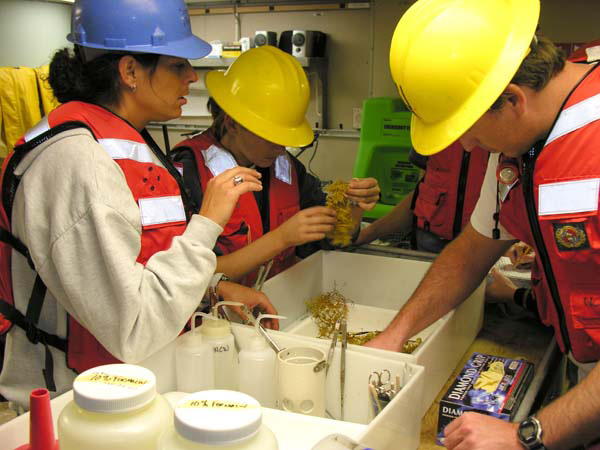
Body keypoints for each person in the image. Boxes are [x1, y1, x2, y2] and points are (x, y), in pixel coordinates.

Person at [0, 0, 277, 410]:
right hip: (74, 408)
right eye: (177, 65)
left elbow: (132, 266)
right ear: (129, 71)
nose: (191, 79)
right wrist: (207, 223)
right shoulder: (79, 165)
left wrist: (212, 290)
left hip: (125, 394)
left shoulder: (121, 139)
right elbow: (134, 328)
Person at [365, 0, 600, 448]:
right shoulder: (516, 147)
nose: (468, 146)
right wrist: (395, 335)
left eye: (468, 130)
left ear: (512, 99)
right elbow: (471, 251)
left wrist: (525, 436)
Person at [172, 45, 380, 285]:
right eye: (270, 134)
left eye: (285, 136)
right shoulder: (187, 171)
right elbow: (188, 275)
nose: (281, 147)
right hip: (217, 316)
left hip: (278, 308)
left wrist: (354, 207)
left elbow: (333, 238)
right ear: (231, 123)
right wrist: (281, 238)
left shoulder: (285, 167)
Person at [356, 141, 488, 253]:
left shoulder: (501, 135)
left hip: (484, 251)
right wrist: (365, 235)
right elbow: (421, 194)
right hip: (428, 247)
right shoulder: (429, 128)